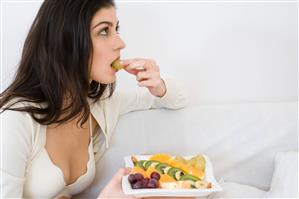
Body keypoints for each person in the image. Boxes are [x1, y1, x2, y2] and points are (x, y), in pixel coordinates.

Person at [0, 0, 189, 198]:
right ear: (67, 41)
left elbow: (176, 99)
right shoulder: (15, 119)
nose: (121, 43)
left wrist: (158, 86)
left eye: (116, 29)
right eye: (104, 31)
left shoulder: (99, 105)